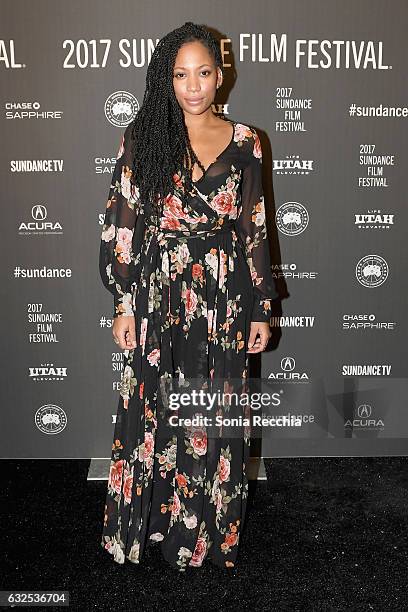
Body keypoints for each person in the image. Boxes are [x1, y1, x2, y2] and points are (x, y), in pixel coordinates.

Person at [99, 21, 279, 571]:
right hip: (159, 290)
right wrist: (124, 303)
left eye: (204, 73)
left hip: (223, 297)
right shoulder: (144, 135)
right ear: (166, 79)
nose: (193, 85)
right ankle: (151, 523)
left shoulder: (248, 141)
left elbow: (253, 228)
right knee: (151, 406)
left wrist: (261, 306)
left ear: (221, 77)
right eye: (181, 74)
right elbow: (124, 222)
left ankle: (200, 530)